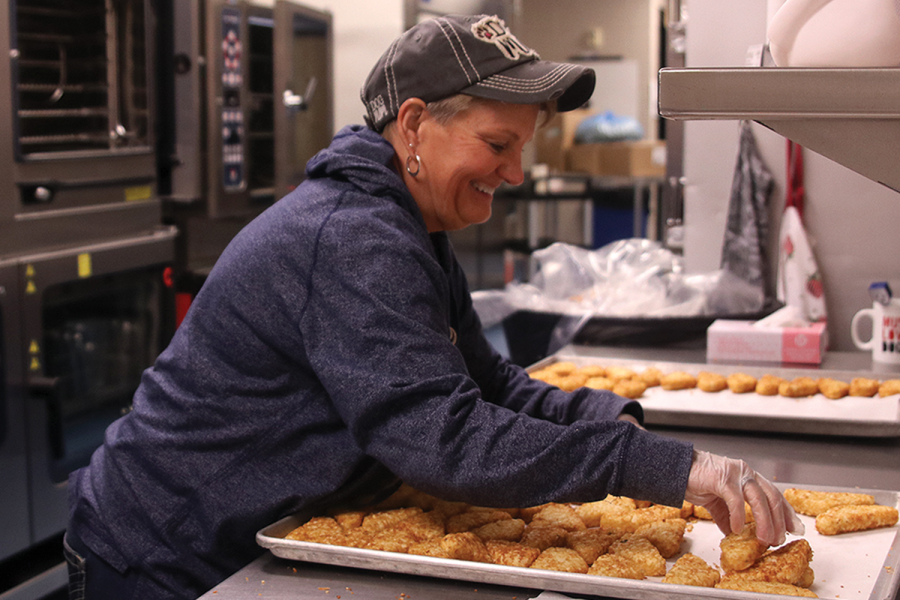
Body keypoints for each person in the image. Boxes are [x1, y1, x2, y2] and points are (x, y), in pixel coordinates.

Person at [64, 14, 802, 599]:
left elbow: (485, 383)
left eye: (524, 147)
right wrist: (661, 468)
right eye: (496, 143)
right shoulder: (352, 238)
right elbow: (447, 440)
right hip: (165, 551)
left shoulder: (412, 225)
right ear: (413, 127)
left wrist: (617, 424)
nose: (514, 171)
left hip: (255, 530)